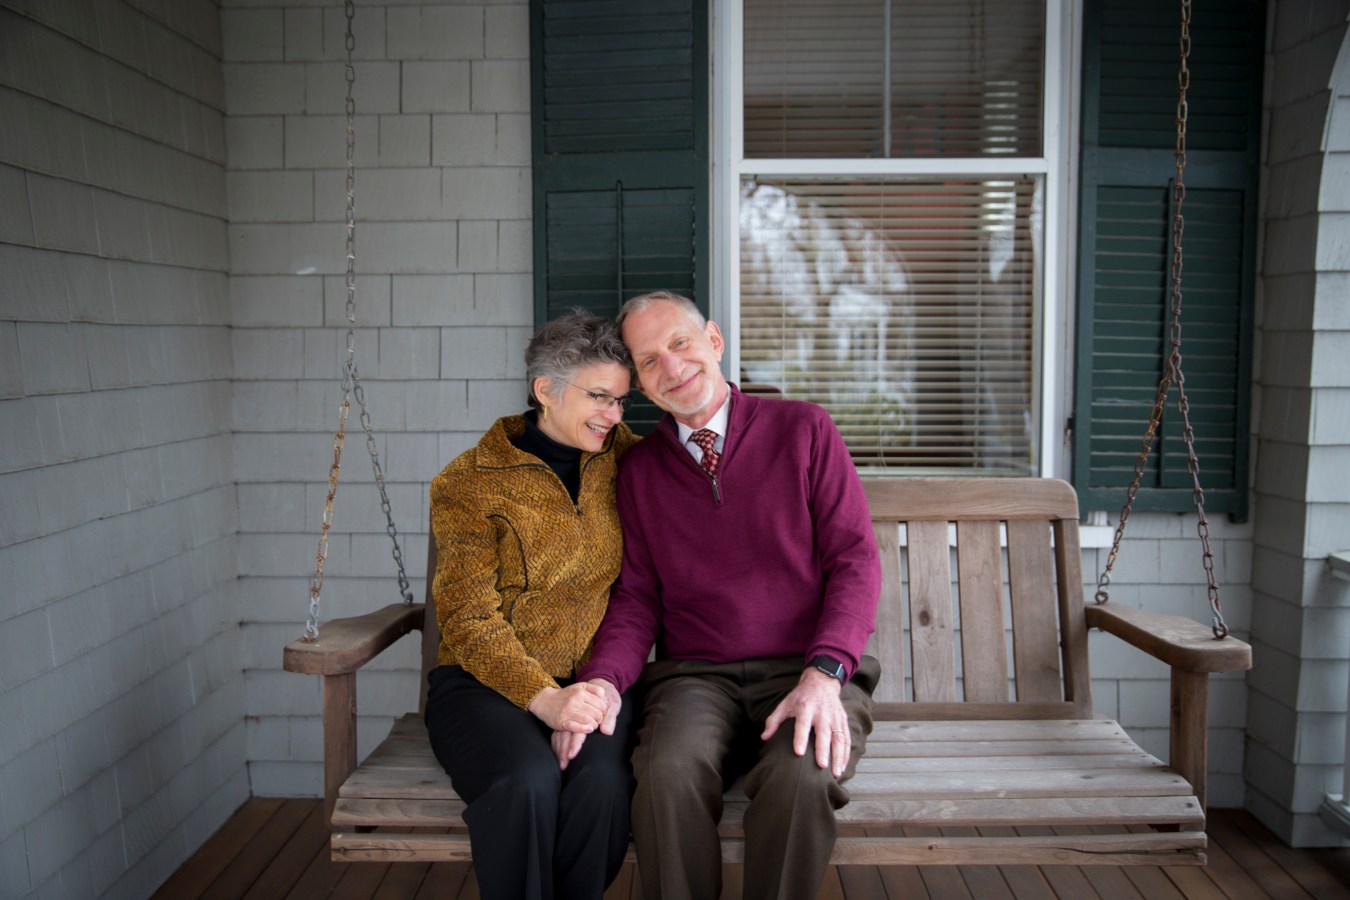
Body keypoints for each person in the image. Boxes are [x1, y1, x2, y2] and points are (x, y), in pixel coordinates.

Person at [563, 290, 882, 900]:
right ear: (638, 383)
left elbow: (855, 562)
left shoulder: (804, 430)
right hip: (695, 678)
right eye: (649, 360)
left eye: (679, 344)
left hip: (806, 668)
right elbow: (637, 597)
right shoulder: (639, 472)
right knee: (664, 772)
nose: (672, 368)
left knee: (803, 779)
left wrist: (825, 672)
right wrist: (603, 680)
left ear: (713, 340)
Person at [424, 310, 640, 900]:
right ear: (546, 390)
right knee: (526, 782)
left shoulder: (632, 461)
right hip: (482, 686)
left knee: (602, 786)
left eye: (622, 401)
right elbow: (467, 619)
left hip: (596, 682)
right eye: (600, 397)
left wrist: (588, 692)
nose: (614, 416)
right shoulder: (471, 482)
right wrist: (544, 698)